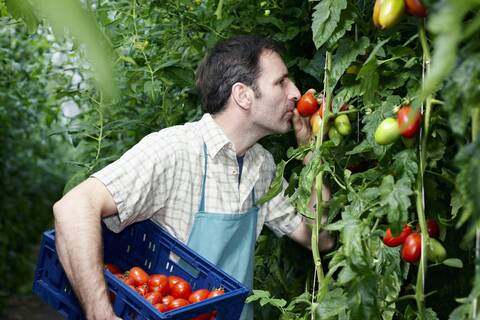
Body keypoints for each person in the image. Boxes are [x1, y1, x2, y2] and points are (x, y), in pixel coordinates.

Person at [53, 35, 335, 320]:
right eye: (281, 82)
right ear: (243, 95)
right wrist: (100, 313)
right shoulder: (175, 150)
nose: (296, 93)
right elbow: (73, 208)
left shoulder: (260, 165)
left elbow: (320, 238)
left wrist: (312, 153)